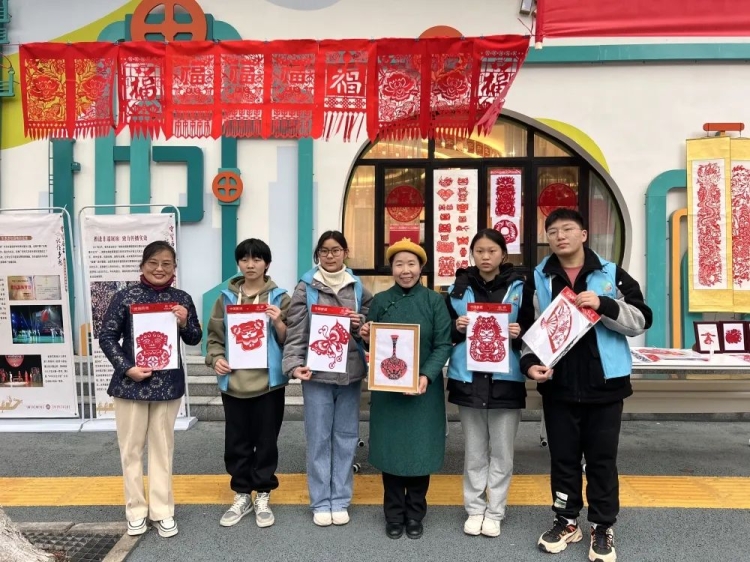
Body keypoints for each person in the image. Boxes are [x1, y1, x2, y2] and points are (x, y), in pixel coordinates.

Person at [520, 209, 652, 562]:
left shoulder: (611, 274)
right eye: (552, 231)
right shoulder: (539, 278)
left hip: (605, 386)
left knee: (601, 461)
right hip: (559, 386)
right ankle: (566, 520)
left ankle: (602, 525)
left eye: (567, 229)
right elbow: (529, 329)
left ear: (584, 234)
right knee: (562, 459)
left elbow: (642, 320)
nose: (560, 236)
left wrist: (604, 304)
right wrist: (530, 364)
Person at [99, 241, 202, 538]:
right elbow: (107, 337)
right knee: (131, 449)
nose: (160, 269)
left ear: (174, 267)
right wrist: (126, 367)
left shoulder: (181, 298)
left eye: (166, 263)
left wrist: (184, 321)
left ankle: (162, 510)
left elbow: (194, 337)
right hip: (131, 385)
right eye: (153, 263)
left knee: (163, 449)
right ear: (143, 265)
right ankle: (135, 511)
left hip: (167, 385)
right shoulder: (124, 297)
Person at [359, 239, 452, 540]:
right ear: (392, 269)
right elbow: (374, 344)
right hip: (388, 392)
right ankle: (393, 514)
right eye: (399, 264)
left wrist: (426, 375)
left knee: (420, 451)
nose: (405, 270)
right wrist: (365, 336)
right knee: (391, 452)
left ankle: (415, 513)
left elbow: (443, 344)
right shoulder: (381, 301)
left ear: (421, 267)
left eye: (411, 264)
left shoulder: (434, 302)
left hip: (424, 391)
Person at [445, 228, 534, 538]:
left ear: (503, 255)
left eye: (492, 251)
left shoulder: (520, 287)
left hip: (506, 378)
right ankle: (474, 509)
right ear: (472, 254)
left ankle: (495, 511)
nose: (485, 256)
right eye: (479, 251)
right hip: (468, 377)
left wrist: (519, 332)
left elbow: (534, 330)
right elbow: (443, 332)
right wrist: (456, 327)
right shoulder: (457, 289)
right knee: (474, 451)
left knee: (502, 452)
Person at [281, 231, 372, 527]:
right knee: (318, 437)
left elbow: (370, 326)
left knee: (346, 437)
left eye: (335, 250)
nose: (330, 256)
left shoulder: (357, 286)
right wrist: (294, 365)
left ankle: (340, 499)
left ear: (346, 252)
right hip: (316, 374)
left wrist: (361, 324)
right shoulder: (306, 286)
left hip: (350, 373)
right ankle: (321, 501)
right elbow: (296, 329)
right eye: (324, 251)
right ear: (318, 254)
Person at [205, 239, 291, 529]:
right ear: (239, 263)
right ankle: (242, 493)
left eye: (257, 259)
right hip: (235, 382)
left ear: (267, 263)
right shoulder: (225, 298)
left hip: (269, 384)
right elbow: (214, 337)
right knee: (237, 442)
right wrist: (216, 358)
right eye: (244, 259)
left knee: (266, 442)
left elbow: (291, 340)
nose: (250, 265)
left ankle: (263, 493)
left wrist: (278, 322)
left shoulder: (280, 298)